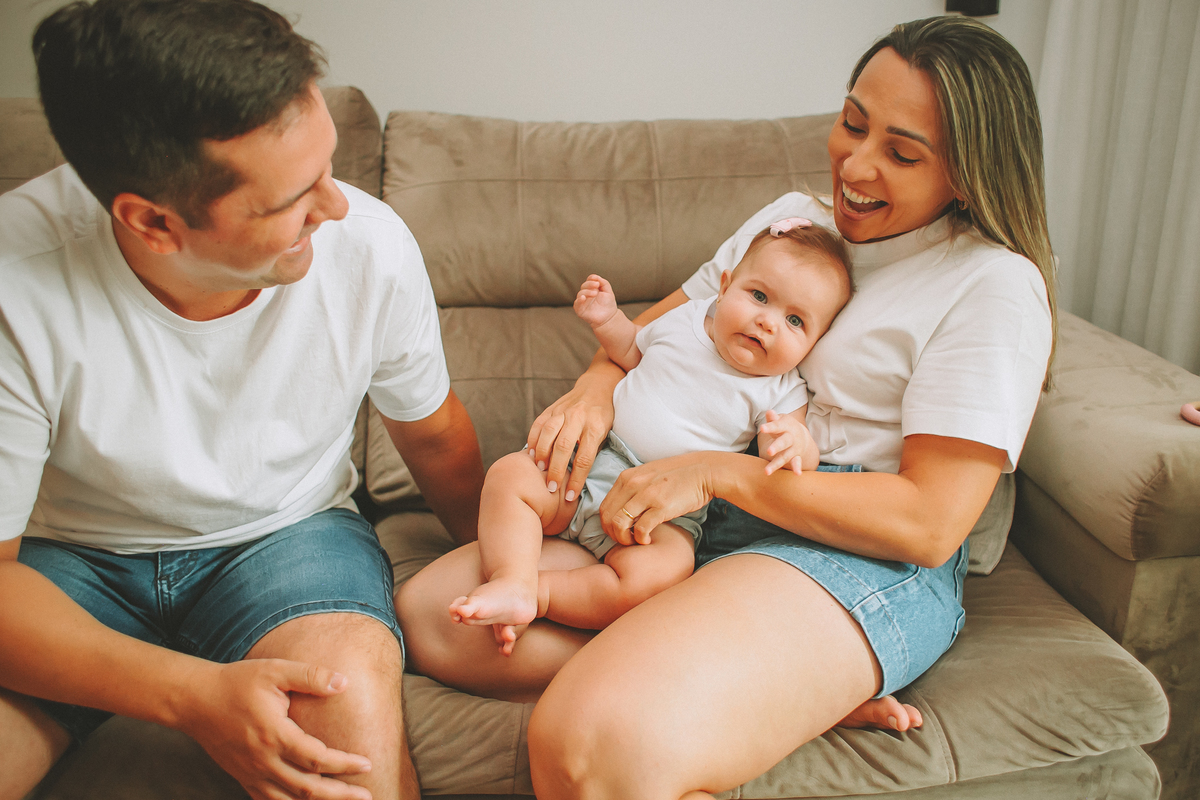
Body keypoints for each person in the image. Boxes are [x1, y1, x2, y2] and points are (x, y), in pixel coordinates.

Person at [397, 14, 1056, 798]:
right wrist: (596, 388)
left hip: (854, 551)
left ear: (967, 174)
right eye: (851, 123)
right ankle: (762, 696)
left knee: (588, 743)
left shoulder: (992, 286)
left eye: (902, 152)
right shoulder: (791, 220)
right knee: (436, 614)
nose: (856, 162)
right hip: (701, 502)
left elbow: (928, 523)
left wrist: (713, 475)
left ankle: (742, 690)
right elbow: (666, 330)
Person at [0, 2, 484, 800]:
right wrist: (189, 695)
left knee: (349, 752)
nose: (336, 208)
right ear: (154, 221)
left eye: (329, 166)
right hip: (66, 562)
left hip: (288, 540)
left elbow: (433, 436)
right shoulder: (18, 282)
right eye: (292, 199)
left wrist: (511, 573)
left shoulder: (368, 243)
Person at [444, 220, 852, 656]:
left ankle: (539, 597)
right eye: (758, 296)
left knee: (660, 575)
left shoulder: (781, 388)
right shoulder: (687, 320)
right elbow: (632, 351)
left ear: (815, 343)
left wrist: (793, 443)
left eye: (794, 321)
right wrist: (607, 319)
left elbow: (796, 451)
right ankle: (513, 577)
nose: (767, 322)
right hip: (592, 463)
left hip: (665, 514)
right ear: (725, 286)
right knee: (510, 477)